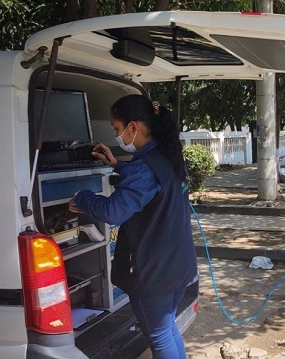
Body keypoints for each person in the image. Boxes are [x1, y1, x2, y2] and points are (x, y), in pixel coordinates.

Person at [69, 94, 198, 358]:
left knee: (160, 336)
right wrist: (116, 165)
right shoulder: (168, 157)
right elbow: (149, 184)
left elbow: (113, 211)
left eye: (117, 129)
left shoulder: (145, 168)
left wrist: (82, 197)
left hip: (155, 272)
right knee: (167, 330)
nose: (117, 135)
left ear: (133, 127)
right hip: (178, 265)